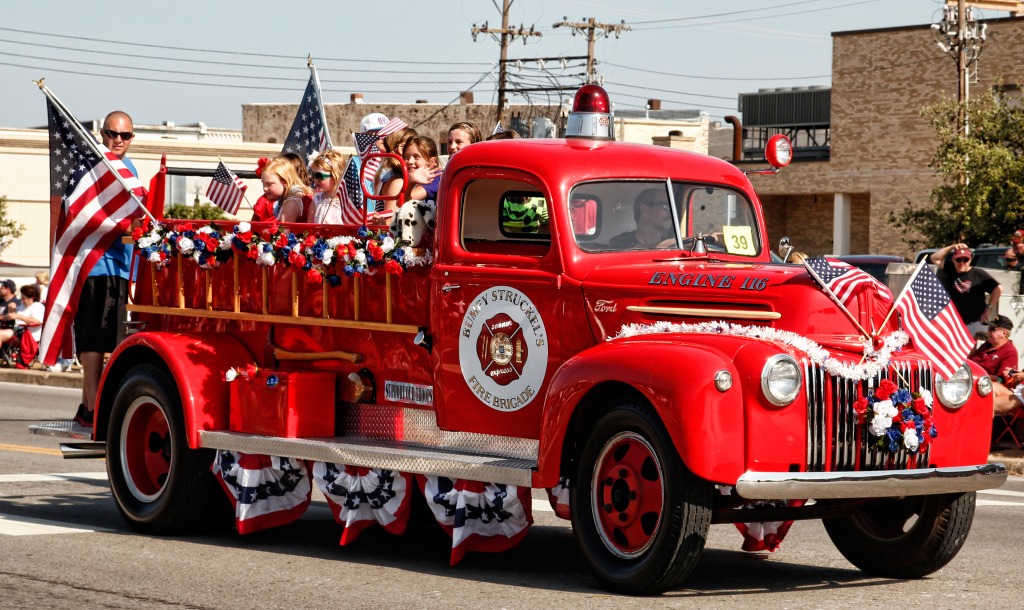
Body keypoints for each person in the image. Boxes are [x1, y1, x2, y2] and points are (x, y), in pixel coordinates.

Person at [72, 111, 138, 427]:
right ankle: (92, 406)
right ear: (102, 133)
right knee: (94, 339)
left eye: (125, 136)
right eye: (113, 134)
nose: (118, 140)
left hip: (120, 266)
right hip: (96, 264)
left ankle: (90, 404)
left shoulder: (129, 169)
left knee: (110, 338)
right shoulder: (95, 167)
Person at [929, 243, 1001, 337]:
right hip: (955, 322)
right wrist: (952, 247)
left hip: (976, 322)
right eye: (958, 259)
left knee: (975, 350)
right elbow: (934, 258)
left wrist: (988, 309)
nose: (962, 263)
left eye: (965, 259)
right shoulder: (951, 269)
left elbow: (998, 289)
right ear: (953, 260)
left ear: (970, 260)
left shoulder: (979, 273)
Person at [380, 136, 444, 204]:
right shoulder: (403, 180)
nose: (410, 161)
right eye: (406, 157)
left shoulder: (437, 177)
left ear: (432, 161)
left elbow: (401, 201)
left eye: (416, 157)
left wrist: (411, 182)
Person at [610, 188, 675, 249]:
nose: (672, 212)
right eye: (666, 206)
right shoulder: (620, 243)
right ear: (645, 211)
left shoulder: (675, 241)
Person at [259, 157, 313, 223]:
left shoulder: (292, 202)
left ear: (285, 181)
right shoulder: (296, 195)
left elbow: (283, 231)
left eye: (269, 184)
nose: (265, 188)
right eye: (263, 184)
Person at [306, 150, 347, 224]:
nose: (315, 180)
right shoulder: (317, 199)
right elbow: (310, 226)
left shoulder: (345, 200)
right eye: (313, 175)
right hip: (319, 235)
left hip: (340, 235)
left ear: (336, 176)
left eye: (319, 176)